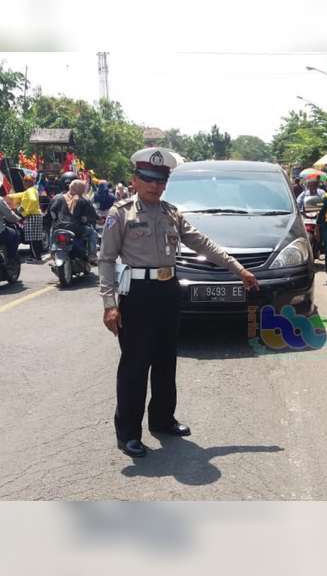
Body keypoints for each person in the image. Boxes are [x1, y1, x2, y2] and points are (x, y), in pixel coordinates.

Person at [98, 148, 260, 458]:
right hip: (137, 296)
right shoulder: (120, 213)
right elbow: (106, 259)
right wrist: (109, 304)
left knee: (164, 361)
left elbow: (202, 242)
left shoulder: (171, 213)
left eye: (160, 181)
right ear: (135, 180)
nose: (154, 186)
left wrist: (238, 269)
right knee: (134, 365)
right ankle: (128, 433)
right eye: (147, 179)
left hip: (168, 292)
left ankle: (162, 420)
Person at [48, 179, 99, 264]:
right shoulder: (83, 200)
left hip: (60, 227)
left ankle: (52, 251)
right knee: (92, 233)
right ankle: (92, 256)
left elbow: (52, 211)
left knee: (53, 229)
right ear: (80, 189)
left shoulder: (58, 197)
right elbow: (91, 214)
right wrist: (99, 219)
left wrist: (57, 219)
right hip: (76, 228)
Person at [6, 175, 45, 260]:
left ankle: (35, 257)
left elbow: (32, 200)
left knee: (32, 239)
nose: (23, 183)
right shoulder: (32, 190)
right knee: (36, 238)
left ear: (28, 182)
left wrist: (25, 211)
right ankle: (37, 256)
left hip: (31, 216)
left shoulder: (30, 191)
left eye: (24, 181)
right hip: (36, 215)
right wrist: (8, 196)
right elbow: (21, 194)